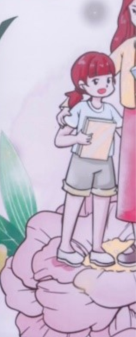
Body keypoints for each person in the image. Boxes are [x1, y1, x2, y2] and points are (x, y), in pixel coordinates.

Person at [54, 52, 121, 267]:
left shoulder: (111, 110)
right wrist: (77, 138)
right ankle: (65, 247)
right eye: (97, 81)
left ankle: (97, 249)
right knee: (74, 202)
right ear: (83, 84)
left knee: (102, 204)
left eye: (109, 80)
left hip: (105, 163)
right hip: (81, 162)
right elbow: (59, 139)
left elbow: (124, 131)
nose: (104, 85)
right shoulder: (80, 109)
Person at [109, 0, 136, 264]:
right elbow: (103, 70)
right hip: (132, 119)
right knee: (132, 184)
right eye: (135, 10)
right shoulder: (128, 47)